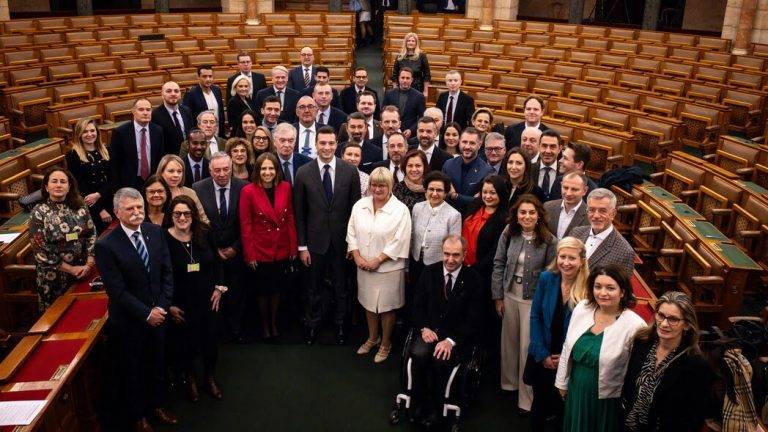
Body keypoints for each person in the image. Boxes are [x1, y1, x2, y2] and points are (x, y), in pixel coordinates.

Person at [94, 187, 177, 431]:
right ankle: (139, 416)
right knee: (133, 370)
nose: (137, 212)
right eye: (130, 209)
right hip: (130, 321)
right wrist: (146, 313)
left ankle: (158, 406)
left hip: (159, 316)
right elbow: (116, 291)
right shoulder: (106, 245)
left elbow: (167, 274)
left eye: (139, 207)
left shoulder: (155, 232)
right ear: (118, 212)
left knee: (158, 364)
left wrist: (162, 306)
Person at [555, 265, 646, 432]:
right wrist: (561, 382)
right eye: (598, 287)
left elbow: (636, 371)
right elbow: (567, 347)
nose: (603, 293)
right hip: (576, 387)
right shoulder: (582, 307)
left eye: (610, 288)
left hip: (607, 397)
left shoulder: (635, 325)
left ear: (623, 292)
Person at [294, 126, 361, 345]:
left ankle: (341, 326)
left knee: (342, 287)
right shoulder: (303, 172)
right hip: (314, 244)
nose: (327, 147)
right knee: (313, 288)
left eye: (331, 143)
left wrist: (353, 245)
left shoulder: (349, 171)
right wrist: (302, 246)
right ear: (316, 144)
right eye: (322, 143)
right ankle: (312, 326)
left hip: (342, 242)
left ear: (336, 145)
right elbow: (300, 213)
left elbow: (355, 213)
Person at [492, 194, 557, 414]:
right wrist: (498, 296)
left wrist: (542, 307)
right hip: (509, 295)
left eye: (531, 212)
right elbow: (499, 263)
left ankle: (526, 399)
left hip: (533, 301)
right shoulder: (509, 233)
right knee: (508, 343)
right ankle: (508, 384)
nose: (527, 216)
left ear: (539, 216)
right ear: (516, 215)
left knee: (526, 347)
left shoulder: (550, 241)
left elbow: (551, 276)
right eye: (523, 212)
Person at [409, 235, 483, 427]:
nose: (450, 260)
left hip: (455, 337)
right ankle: (417, 404)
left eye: (456, 255)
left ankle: (435, 408)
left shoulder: (473, 279)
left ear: (464, 254)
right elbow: (417, 306)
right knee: (418, 354)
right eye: (447, 254)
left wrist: (451, 340)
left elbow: (473, 319)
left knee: (439, 358)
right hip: (429, 331)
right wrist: (423, 327)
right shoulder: (429, 272)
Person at [163, 195, 225, 402]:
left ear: (193, 214)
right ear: (171, 215)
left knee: (210, 342)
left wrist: (219, 288)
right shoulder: (164, 238)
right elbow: (160, 275)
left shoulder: (205, 232)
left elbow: (217, 262)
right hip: (181, 304)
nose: (182, 217)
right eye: (177, 213)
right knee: (185, 345)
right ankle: (190, 379)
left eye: (187, 213)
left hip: (208, 300)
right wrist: (169, 305)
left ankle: (209, 377)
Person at [621, 291, 712, 432]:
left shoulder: (696, 365)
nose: (664, 324)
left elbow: (694, 418)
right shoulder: (642, 344)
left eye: (673, 319)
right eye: (661, 315)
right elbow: (628, 387)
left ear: (687, 325)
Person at [347, 167, 411, 363]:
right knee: (368, 304)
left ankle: (385, 343)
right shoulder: (360, 205)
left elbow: (400, 240)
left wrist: (378, 259)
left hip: (388, 269)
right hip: (363, 265)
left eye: (382, 185)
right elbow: (351, 231)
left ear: (390, 186)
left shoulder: (400, 210)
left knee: (386, 308)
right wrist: (356, 256)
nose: (377, 189)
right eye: (374, 185)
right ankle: (372, 338)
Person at [527, 236, 590, 431]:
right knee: (538, 405)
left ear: (582, 261)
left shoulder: (589, 287)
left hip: (568, 359)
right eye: (562, 256)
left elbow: (587, 330)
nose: (566, 262)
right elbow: (535, 315)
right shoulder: (547, 278)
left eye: (572, 258)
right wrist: (542, 353)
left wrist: (564, 358)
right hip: (543, 353)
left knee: (562, 410)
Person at [239, 152, 297, 342]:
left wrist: (293, 247)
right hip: (260, 249)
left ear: (277, 170)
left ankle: (274, 323)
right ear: (257, 170)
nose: (267, 172)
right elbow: (246, 224)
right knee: (263, 291)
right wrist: (250, 254)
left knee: (277, 290)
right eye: (263, 168)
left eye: (271, 168)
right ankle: (265, 326)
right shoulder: (248, 191)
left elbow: (289, 219)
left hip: (281, 247)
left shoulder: (286, 187)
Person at [192, 152, 249, 344]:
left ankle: (236, 330)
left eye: (226, 169)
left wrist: (235, 247)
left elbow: (249, 224)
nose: (222, 174)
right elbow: (197, 224)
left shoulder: (245, 188)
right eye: (217, 170)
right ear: (210, 170)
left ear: (232, 168)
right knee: (212, 295)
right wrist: (212, 249)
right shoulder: (198, 189)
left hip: (237, 253)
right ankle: (216, 332)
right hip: (210, 254)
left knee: (237, 294)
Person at [30, 167, 96, 309]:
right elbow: (41, 251)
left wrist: (89, 264)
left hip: (84, 271)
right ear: (47, 187)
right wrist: (72, 269)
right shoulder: (39, 212)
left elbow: (92, 233)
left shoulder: (80, 205)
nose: (58, 185)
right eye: (54, 181)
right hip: (55, 277)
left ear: (69, 186)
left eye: (63, 181)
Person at [462, 175, 509, 349]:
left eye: (493, 193)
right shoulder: (473, 206)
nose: (488, 196)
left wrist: (473, 269)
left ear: (501, 194)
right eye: (485, 192)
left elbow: (496, 253)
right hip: (462, 267)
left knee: (479, 316)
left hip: (483, 275)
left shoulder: (505, 218)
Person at [410, 171, 462, 291]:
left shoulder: (454, 215)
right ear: (425, 190)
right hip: (416, 261)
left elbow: (454, 246)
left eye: (439, 190)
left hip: (437, 266)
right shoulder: (417, 207)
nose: (434, 193)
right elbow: (412, 236)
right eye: (431, 189)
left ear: (445, 193)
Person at [570, 188, 635, 275]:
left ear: (613, 214)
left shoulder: (624, 252)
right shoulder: (575, 233)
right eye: (592, 210)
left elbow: (622, 286)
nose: (596, 215)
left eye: (602, 211)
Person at [66, 118, 114, 233]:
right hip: (90, 206)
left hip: (109, 198)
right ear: (79, 134)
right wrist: (100, 210)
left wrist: (99, 194)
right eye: (85, 131)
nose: (89, 134)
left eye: (92, 131)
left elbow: (114, 179)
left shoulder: (106, 150)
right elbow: (80, 186)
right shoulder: (73, 155)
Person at [110, 98, 165, 190]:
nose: (145, 113)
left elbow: (160, 157)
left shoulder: (158, 130)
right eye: (141, 109)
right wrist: (117, 187)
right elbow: (115, 163)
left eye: (148, 110)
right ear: (133, 112)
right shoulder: (120, 132)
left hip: (152, 180)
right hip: (129, 182)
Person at [442, 127, 494, 212]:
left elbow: (481, 201)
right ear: (459, 142)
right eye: (464, 142)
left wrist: (454, 196)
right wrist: (469, 199)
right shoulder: (448, 165)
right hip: (446, 215)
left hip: (471, 218)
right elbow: (442, 193)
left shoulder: (487, 171)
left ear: (479, 145)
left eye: (472, 143)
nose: (467, 146)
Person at [156, 154, 209, 224]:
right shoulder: (155, 193)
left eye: (179, 171)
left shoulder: (190, 193)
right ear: (161, 173)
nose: (176, 175)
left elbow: (203, 219)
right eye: (171, 171)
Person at [152, 81, 193, 157]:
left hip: (189, 157)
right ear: (162, 95)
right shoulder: (155, 115)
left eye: (176, 91)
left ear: (180, 95)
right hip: (169, 160)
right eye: (169, 91)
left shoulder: (186, 110)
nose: (173, 94)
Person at [544, 171, 590, 239]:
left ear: (585, 191)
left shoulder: (589, 216)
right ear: (561, 185)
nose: (568, 193)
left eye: (574, 189)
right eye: (565, 188)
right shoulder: (547, 207)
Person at [182, 65, 225, 137]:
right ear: (198, 77)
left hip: (217, 133)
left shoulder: (216, 90)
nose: (208, 79)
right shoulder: (191, 93)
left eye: (210, 76)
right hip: (200, 136)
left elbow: (221, 113)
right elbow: (187, 118)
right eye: (204, 76)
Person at [383, 68, 426, 132]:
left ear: (412, 80)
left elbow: (422, 117)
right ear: (399, 78)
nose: (405, 80)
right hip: (391, 130)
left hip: (410, 134)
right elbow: (383, 112)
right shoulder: (389, 94)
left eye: (407, 78)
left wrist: (411, 130)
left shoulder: (419, 96)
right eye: (402, 78)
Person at [532, 130, 563, 202]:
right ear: (539, 146)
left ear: (560, 149)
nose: (548, 151)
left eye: (552, 147)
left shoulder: (565, 174)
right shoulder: (528, 169)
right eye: (544, 146)